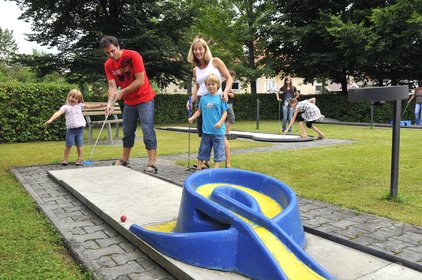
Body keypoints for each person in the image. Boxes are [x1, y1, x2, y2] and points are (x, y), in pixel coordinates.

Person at [100, 35, 158, 173]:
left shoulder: (133, 56)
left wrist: (122, 92)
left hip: (145, 98)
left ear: (118, 46)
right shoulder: (108, 65)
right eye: (107, 53)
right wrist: (110, 103)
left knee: (147, 129)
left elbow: (140, 80)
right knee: (127, 131)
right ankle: (125, 160)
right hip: (129, 102)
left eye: (113, 51)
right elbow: (112, 86)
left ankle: (152, 163)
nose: (111, 55)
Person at [187, 36, 233, 168]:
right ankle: (205, 162)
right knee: (205, 133)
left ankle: (227, 163)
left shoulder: (215, 62)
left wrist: (225, 92)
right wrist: (191, 100)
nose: (198, 52)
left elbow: (229, 78)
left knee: (220, 134)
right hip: (202, 101)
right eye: (195, 49)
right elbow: (197, 87)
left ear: (205, 49)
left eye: (200, 49)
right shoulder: (195, 69)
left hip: (217, 101)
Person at [45, 89, 105, 166]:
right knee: (68, 145)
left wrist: (99, 106)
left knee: (79, 145)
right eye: (72, 97)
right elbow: (58, 113)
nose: (74, 99)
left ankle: (80, 159)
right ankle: (65, 159)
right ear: (69, 96)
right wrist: (51, 119)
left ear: (78, 100)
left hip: (80, 130)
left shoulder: (80, 106)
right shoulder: (65, 107)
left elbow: (89, 106)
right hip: (71, 130)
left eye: (76, 98)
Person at [188, 74, 229, 170]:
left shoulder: (221, 98)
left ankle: (216, 168)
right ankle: (199, 167)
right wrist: (192, 117)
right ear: (206, 85)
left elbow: (225, 113)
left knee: (218, 150)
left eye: (213, 84)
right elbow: (199, 111)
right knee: (203, 149)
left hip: (218, 132)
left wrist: (220, 122)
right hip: (206, 131)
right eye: (208, 84)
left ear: (217, 85)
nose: (211, 86)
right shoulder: (203, 99)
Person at [222, 69, 237, 140]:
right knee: (231, 118)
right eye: (232, 77)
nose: (233, 78)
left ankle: (227, 133)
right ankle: (226, 134)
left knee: (227, 118)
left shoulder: (229, 83)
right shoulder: (225, 82)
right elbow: (222, 92)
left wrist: (231, 94)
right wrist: (230, 94)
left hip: (229, 102)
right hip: (227, 103)